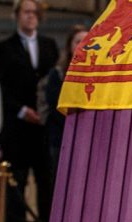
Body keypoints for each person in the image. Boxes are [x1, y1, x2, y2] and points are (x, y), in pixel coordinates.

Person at [0, 0, 59, 222]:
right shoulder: (3, 49)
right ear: (17, 15)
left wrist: (44, 111)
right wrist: (21, 110)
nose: (31, 16)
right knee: (16, 183)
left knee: (45, 184)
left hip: (42, 128)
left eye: (34, 12)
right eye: (26, 12)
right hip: (17, 127)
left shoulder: (49, 45)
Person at [39, 24, 87, 188]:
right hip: (61, 137)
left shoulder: (100, 73)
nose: (83, 46)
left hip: (88, 138)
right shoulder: (57, 73)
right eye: (78, 41)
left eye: (87, 42)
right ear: (69, 46)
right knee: (60, 183)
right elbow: (55, 105)